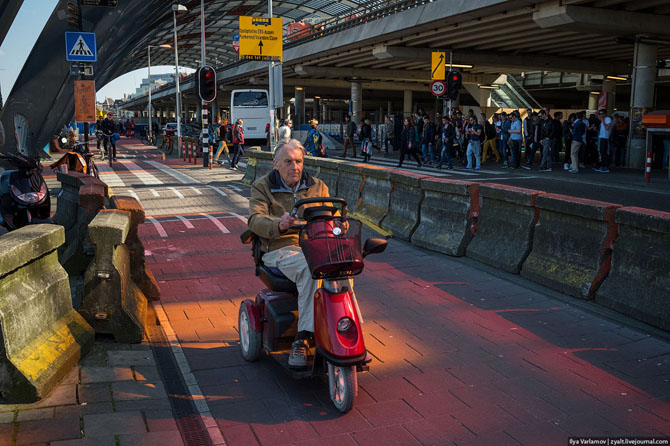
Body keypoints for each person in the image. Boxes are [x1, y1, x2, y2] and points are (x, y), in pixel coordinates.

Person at [248, 139, 332, 368]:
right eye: (288, 161)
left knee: (342, 266)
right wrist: (279, 224)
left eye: (298, 161)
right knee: (309, 268)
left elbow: (329, 215)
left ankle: (344, 324)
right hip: (279, 248)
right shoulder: (262, 186)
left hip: (313, 246)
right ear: (276, 164)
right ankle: (303, 337)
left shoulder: (317, 186)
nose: (294, 167)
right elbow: (255, 219)